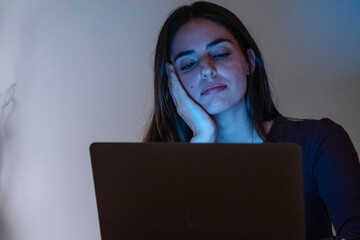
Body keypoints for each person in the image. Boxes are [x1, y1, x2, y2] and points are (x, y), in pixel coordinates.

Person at [143, 1, 360, 239]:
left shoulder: (319, 142)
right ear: (172, 82)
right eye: (188, 64)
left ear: (249, 61)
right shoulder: (160, 175)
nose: (207, 69)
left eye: (220, 53)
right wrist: (201, 142)